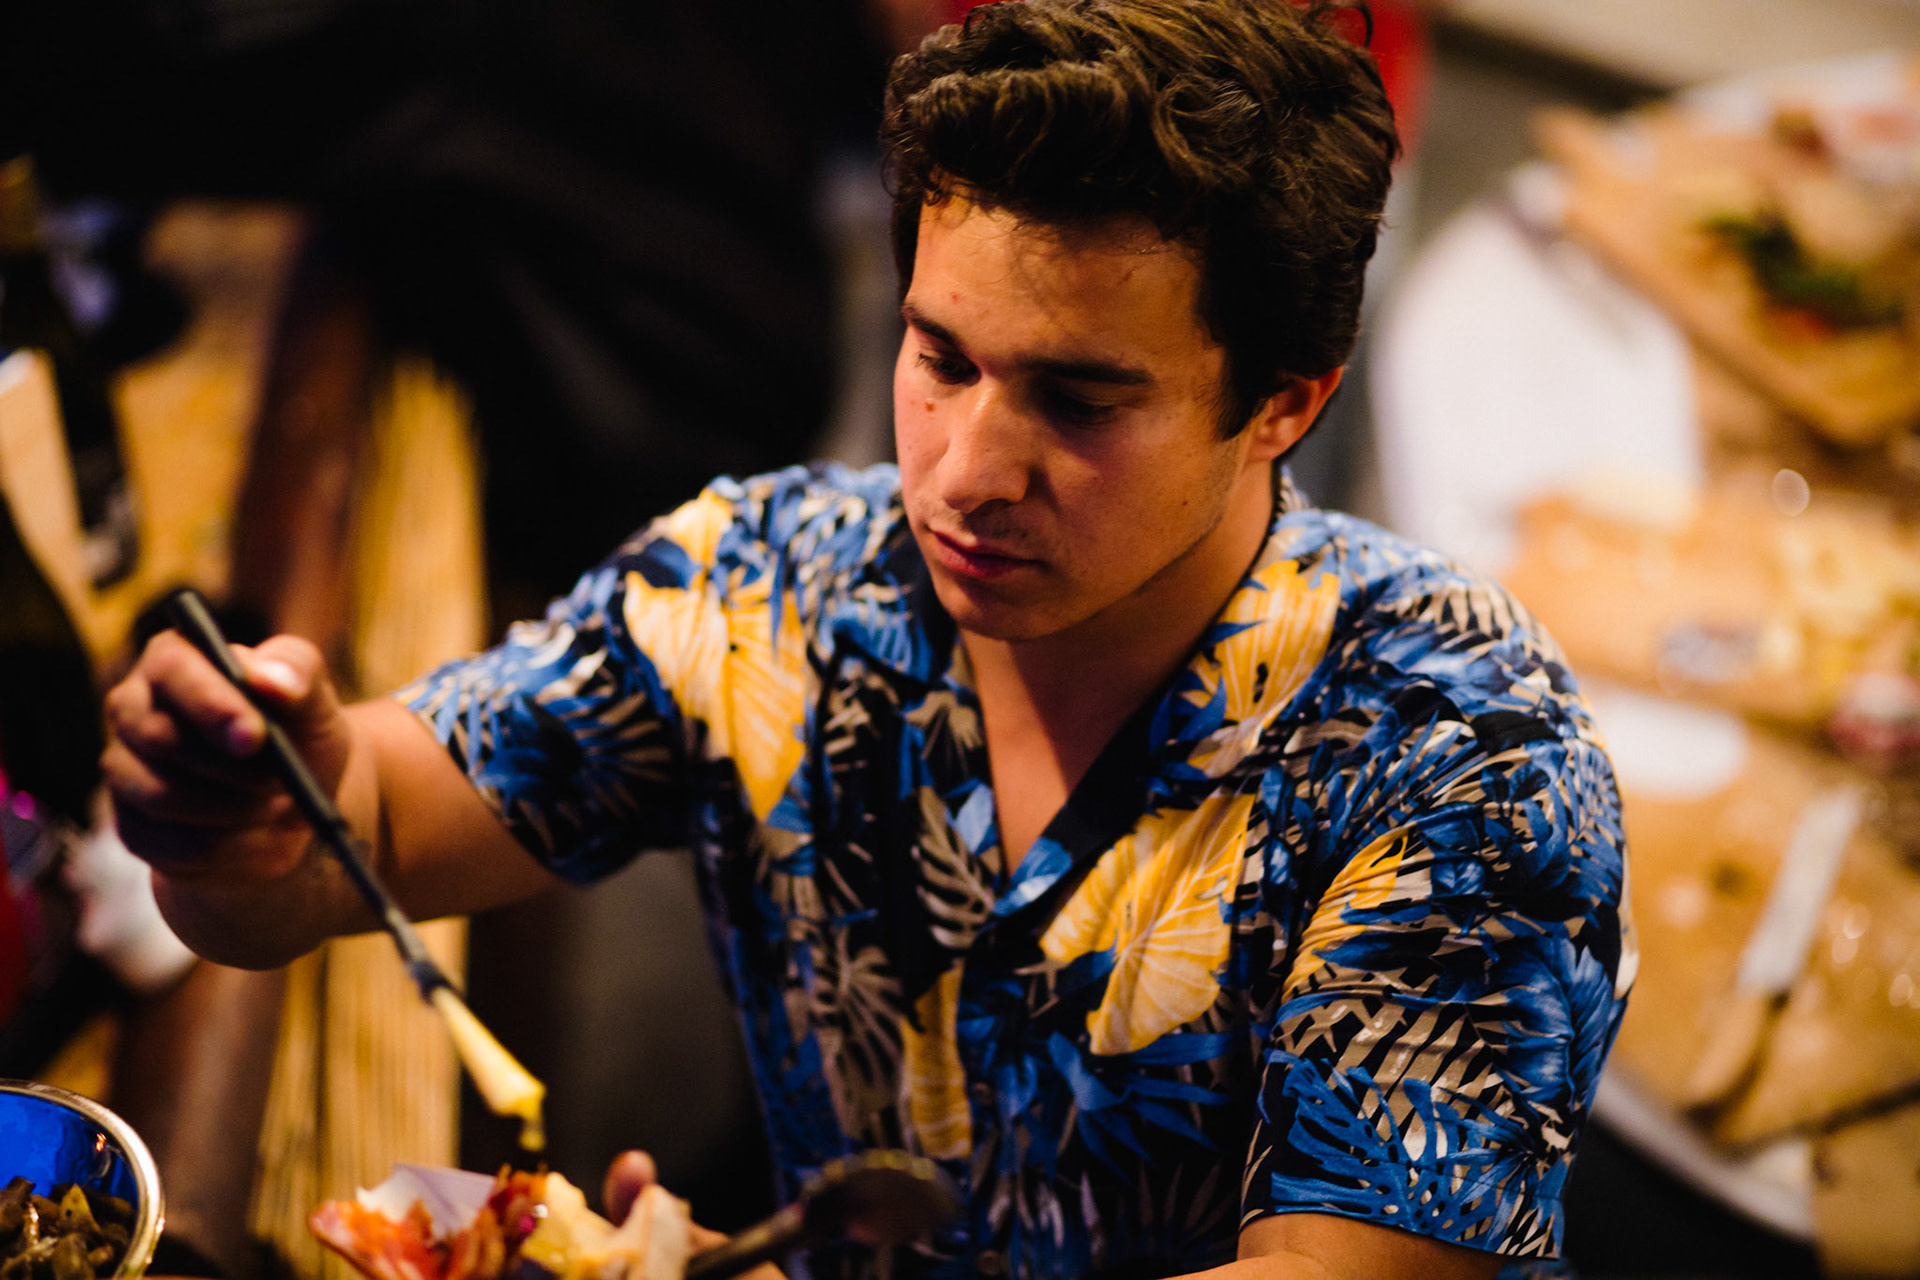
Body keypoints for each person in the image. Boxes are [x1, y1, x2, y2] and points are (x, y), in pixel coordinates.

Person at [101, 1, 1633, 1276]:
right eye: (940, 357)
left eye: (1078, 401)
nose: (965, 471)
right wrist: (251, 815)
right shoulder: (767, 588)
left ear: (1286, 400)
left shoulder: (1460, 757)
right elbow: (362, 825)